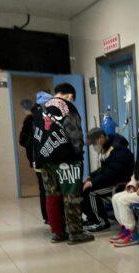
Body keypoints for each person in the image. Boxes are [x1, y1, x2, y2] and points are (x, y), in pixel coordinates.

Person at [33, 83, 94, 244]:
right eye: (72, 97)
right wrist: (79, 154)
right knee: (71, 195)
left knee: (51, 196)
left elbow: (36, 136)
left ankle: (57, 233)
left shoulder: (40, 108)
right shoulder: (67, 106)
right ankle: (76, 232)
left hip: (45, 159)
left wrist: (38, 160)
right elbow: (74, 132)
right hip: (66, 158)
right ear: (69, 95)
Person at [81, 128, 134, 232]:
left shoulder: (118, 150)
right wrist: (91, 177)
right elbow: (105, 169)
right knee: (83, 188)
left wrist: (93, 182)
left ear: (101, 137)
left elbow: (112, 172)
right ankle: (92, 218)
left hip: (120, 183)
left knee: (92, 192)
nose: (94, 146)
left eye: (94, 143)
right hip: (111, 179)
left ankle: (101, 222)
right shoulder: (107, 147)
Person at [19, 94, 50, 224]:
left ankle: (48, 217)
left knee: (45, 188)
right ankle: (48, 217)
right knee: (45, 189)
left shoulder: (41, 118)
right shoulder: (32, 120)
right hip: (39, 159)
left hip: (40, 158)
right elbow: (23, 140)